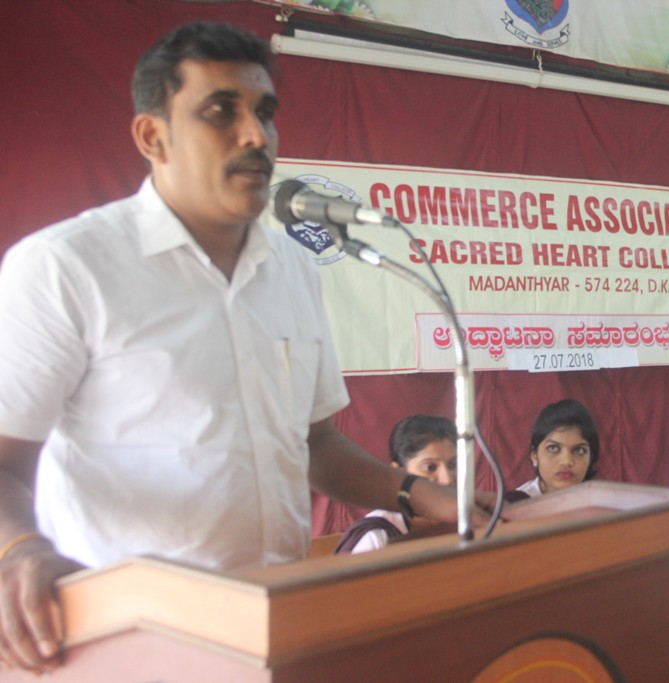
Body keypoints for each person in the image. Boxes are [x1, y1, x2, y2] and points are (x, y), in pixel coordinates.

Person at [0, 22, 489, 674]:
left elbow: (314, 444)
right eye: (220, 112)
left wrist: (418, 493)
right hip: (126, 640)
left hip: (277, 625)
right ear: (152, 137)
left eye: (265, 112)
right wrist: (19, 550)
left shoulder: (293, 269)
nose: (256, 135)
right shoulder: (66, 267)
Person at [336, 415, 457, 554]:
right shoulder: (375, 538)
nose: (447, 480)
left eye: (453, 464)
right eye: (430, 467)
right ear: (399, 473)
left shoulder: (466, 523)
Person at [515, 398, 600, 498]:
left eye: (579, 450)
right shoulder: (515, 504)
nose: (566, 461)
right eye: (553, 448)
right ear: (534, 455)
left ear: (591, 457)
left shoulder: (603, 502)